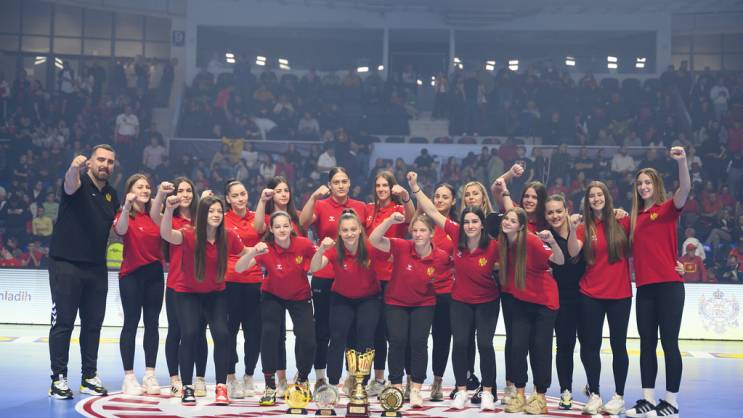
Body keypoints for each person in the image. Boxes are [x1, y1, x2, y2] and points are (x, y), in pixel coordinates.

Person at [409, 172, 500, 411]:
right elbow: (431, 211)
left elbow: (513, 260)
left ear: (482, 224)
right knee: (459, 344)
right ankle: (461, 391)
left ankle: (488, 392)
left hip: (487, 302)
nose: (470, 226)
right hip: (459, 301)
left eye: (475, 222)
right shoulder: (457, 233)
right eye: (467, 222)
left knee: (485, 345)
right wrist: (415, 187)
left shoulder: (494, 246)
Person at [160, 194, 248, 405]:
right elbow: (166, 234)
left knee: (222, 335)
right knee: (189, 334)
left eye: (219, 211)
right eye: (211, 211)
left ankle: (221, 387)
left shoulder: (228, 236)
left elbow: (246, 253)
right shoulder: (188, 234)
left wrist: (259, 251)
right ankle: (187, 387)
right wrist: (169, 210)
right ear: (202, 214)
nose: (216, 215)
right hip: (187, 293)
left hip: (216, 293)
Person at [48, 144, 119, 400]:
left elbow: (113, 230)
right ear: (90, 161)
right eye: (100, 159)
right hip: (66, 263)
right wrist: (73, 167)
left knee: (93, 325)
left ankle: (89, 376)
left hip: (96, 267)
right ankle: (58, 378)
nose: (105, 165)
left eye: (110, 161)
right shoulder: (77, 182)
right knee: (63, 322)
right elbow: (69, 184)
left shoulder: (112, 194)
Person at [625, 146, 690, 418]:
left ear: (656, 185)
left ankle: (671, 402)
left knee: (669, 344)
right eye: (640, 183)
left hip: (669, 287)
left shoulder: (667, 209)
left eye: (648, 182)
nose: (643, 187)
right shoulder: (633, 219)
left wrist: (682, 162)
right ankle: (648, 400)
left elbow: (685, 189)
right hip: (645, 289)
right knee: (646, 344)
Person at [235, 211, 317, 406]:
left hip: (300, 295)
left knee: (308, 338)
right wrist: (253, 252)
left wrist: (321, 251)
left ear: (291, 227)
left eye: (285, 226)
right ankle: (270, 386)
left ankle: (302, 379)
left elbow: (317, 265)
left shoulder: (304, 244)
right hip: (272, 296)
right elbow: (239, 268)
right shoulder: (265, 248)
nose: (282, 230)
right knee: (270, 334)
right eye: (277, 226)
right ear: (271, 229)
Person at [369, 212, 449, 407]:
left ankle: (415, 389)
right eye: (415, 230)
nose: (418, 234)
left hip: (424, 304)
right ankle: (396, 386)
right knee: (397, 342)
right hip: (396, 302)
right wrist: (389, 220)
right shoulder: (402, 246)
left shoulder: (441, 256)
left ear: (431, 233)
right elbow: (373, 239)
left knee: (418, 343)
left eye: (423, 230)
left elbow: (453, 273)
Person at [300, 167, 367, 390]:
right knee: (322, 329)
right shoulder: (321, 205)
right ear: (329, 185)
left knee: (350, 330)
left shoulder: (360, 206)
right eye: (336, 182)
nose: (340, 185)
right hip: (324, 274)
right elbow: (303, 223)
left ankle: (351, 376)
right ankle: (320, 376)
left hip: (351, 277)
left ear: (350, 183)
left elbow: (367, 238)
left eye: (344, 181)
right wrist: (313, 197)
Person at [573, 182, 632, 415]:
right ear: (587, 201)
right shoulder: (582, 227)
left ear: (607, 197)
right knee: (591, 345)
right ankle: (594, 395)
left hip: (620, 294)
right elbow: (573, 251)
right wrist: (571, 225)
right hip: (590, 294)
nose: (596, 198)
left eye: (600, 195)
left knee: (619, 345)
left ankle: (619, 397)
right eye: (592, 196)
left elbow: (645, 242)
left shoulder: (622, 221)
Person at [499, 208, 564, 415]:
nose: (507, 222)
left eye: (512, 220)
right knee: (517, 347)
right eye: (506, 218)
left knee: (540, 348)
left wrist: (553, 242)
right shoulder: (503, 243)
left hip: (544, 302)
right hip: (521, 301)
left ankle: (540, 397)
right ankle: (520, 395)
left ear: (521, 226)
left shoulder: (531, 240)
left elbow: (559, 260)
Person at [311, 210, 383, 392]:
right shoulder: (335, 249)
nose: (349, 233)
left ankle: (360, 384)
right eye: (345, 230)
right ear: (339, 232)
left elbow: (392, 257)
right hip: (341, 298)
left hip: (369, 299)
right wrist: (321, 249)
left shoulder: (371, 247)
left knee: (365, 336)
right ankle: (333, 384)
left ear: (359, 230)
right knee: (337, 338)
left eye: (353, 229)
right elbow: (314, 267)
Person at [150, 178, 210, 397]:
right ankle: (175, 379)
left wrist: (206, 204)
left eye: (189, 190)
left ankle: (200, 378)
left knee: (199, 332)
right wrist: (161, 195)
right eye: (181, 190)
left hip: (202, 285)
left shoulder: (202, 218)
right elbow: (154, 215)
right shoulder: (170, 218)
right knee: (176, 331)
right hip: (177, 285)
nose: (185, 194)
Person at [363, 171, 415, 396]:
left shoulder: (399, 209)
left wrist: (405, 195)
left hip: (394, 278)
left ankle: (406, 380)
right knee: (376, 331)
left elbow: (412, 218)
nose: (381, 189)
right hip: (371, 278)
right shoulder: (368, 209)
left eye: (385, 185)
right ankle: (378, 379)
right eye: (378, 186)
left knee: (397, 333)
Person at [113, 174, 164, 396]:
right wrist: (126, 207)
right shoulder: (123, 214)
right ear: (130, 191)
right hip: (131, 276)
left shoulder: (156, 216)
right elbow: (121, 230)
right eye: (139, 187)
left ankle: (150, 375)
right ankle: (129, 377)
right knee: (131, 323)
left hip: (155, 275)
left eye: (147, 187)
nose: (145, 190)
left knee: (152, 324)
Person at [254, 175, 301, 396]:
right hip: (272, 284)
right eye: (278, 190)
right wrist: (263, 200)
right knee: (275, 334)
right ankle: (278, 379)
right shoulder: (266, 218)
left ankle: (296, 377)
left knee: (298, 334)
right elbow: (257, 228)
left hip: (297, 286)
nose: (283, 194)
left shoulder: (296, 217)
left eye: (286, 190)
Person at [542, 195, 584, 411]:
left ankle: (593, 386)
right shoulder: (545, 238)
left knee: (590, 346)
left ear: (566, 210)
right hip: (561, 300)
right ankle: (565, 390)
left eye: (559, 211)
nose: (555, 216)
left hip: (587, 297)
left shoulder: (581, 229)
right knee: (565, 346)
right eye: (550, 212)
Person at [223, 180, 263, 399]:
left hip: (254, 282)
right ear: (228, 199)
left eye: (243, 194)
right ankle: (230, 378)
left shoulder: (256, 218)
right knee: (229, 332)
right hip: (228, 282)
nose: (240, 198)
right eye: (235, 195)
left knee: (254, 333)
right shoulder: (222, 219)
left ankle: (249, 376)